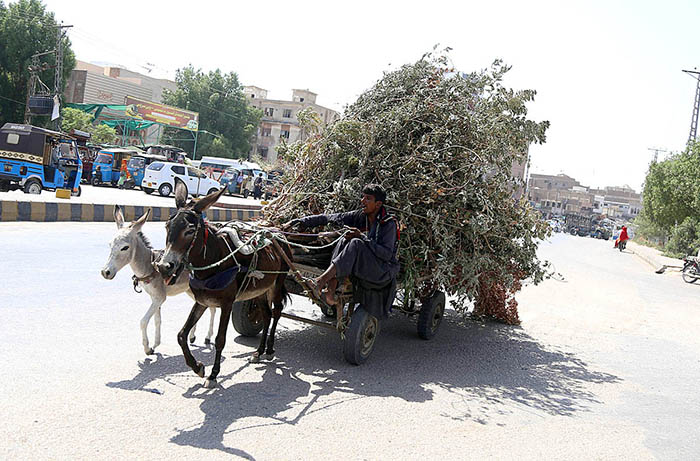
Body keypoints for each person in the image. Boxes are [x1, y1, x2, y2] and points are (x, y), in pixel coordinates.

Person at [283, 184, 400, 315]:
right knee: (344, 238)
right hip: (367, 264)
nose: (362, 201)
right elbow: (328, 217)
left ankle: (320, 282)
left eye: (367, 198)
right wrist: (298, 221)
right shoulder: (360, 216)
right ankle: (331, 290)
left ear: (378, 204)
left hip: (382, 270)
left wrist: (362, 237)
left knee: (355, 242)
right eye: (363, 197)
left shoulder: (388, 224)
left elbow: (386, 255)